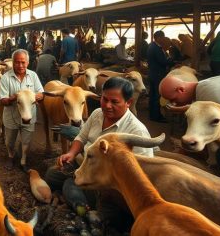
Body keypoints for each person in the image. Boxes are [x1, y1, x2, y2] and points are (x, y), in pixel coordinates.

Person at [44, 77, 154, 227]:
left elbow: (142, 172)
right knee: (51, 175)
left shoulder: (136, 131)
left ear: (128, 103)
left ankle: (84, 209)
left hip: (106, 183)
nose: (107, 106)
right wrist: (71, 154)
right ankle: (81, 195)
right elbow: (81, 137)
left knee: (70, 184)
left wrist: (108, 183)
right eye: (104, 99)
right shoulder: (97, 114)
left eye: (114, 102)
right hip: (83, 165)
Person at [0, 49, 44, 169]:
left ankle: (23, 160)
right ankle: (10, 156)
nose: (20, 65)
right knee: (9, 142)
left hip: (29, 116)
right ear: (13, 63)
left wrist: (38, 96)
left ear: (28, 63)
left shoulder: (33, 76)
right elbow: (3, 100)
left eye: (23, 62)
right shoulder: (5, 78)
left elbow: (41, 92)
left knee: (26, 142)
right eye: (17, 62)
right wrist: (14, 97)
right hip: (11, 116)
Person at [148, 31, 172, 122]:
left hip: (153, 73)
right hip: (157, 74)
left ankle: (153, 115)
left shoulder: (153, 46)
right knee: (156, 96)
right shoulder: (156, 48)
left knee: (153, 95)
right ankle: (156, 117)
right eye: (162, 37)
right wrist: (171, 61)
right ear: (158, 37)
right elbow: (162, 62)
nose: (163, 39)